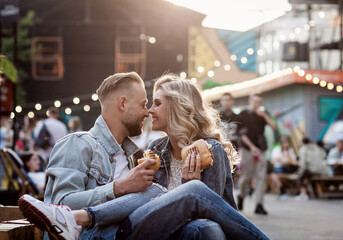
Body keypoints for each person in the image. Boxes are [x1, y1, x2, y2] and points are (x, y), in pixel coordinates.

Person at [19, 72, 269, 240]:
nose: (148, 112)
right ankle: (77, 219)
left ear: (178, 106)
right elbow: (59, 201)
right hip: (102, 233)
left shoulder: (134, 155)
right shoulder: (81, 143)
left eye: (154, 104)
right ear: (123, 104)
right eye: (144, 104)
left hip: (147, 230)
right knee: (161, 191)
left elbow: (175, 212)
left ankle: (79, 217)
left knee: (205, 227)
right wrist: (120, 187)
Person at [237, 93, 277, 215]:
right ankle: (241, 196)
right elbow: (241, 134)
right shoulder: (243, 114)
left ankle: (259, 204)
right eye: (255, 101)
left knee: (261, 177)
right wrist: (252, 147)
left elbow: (274, 127)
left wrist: (264, 114)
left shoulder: (263, 114)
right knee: (246, 177)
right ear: (250, 100)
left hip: (261, 149)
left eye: (259, 102)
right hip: (247, 149)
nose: (257, 104)